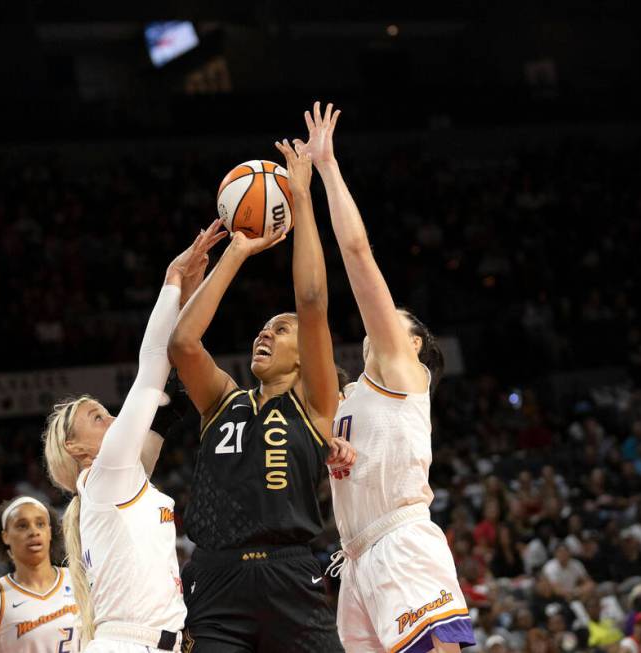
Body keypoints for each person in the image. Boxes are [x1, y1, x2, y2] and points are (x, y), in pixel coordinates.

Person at [167, 139, 356, 652]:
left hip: (289, 573)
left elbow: (312, 299)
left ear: (305, 356)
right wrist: (238, 250)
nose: (264, 334)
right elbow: (183, 343)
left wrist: (301, 201)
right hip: (215, 577)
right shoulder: (223, 401)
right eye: (262, 329)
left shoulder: (316, 402)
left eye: (280, 329)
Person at [300, 101, 474, 652]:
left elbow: (354, 251)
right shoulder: (348, 397)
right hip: (354, 561)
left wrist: (327, 169)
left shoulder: (404, 372)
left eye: (399, 323)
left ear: (415, 343)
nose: (383, 322)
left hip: (401, 542)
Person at [43, 224, 227, 652]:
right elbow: (149, 373)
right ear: (75, 449)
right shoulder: (104, 474)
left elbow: (150, 443)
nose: (111, 419)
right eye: (97, 417)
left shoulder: (119, 481)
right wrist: (171, 284)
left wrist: (184, 301)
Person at [0, 496, 78, 652]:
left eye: (40, 524)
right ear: (5, 536)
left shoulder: (78, 578)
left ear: (50, 532)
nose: (34, 532)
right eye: (22, 526)